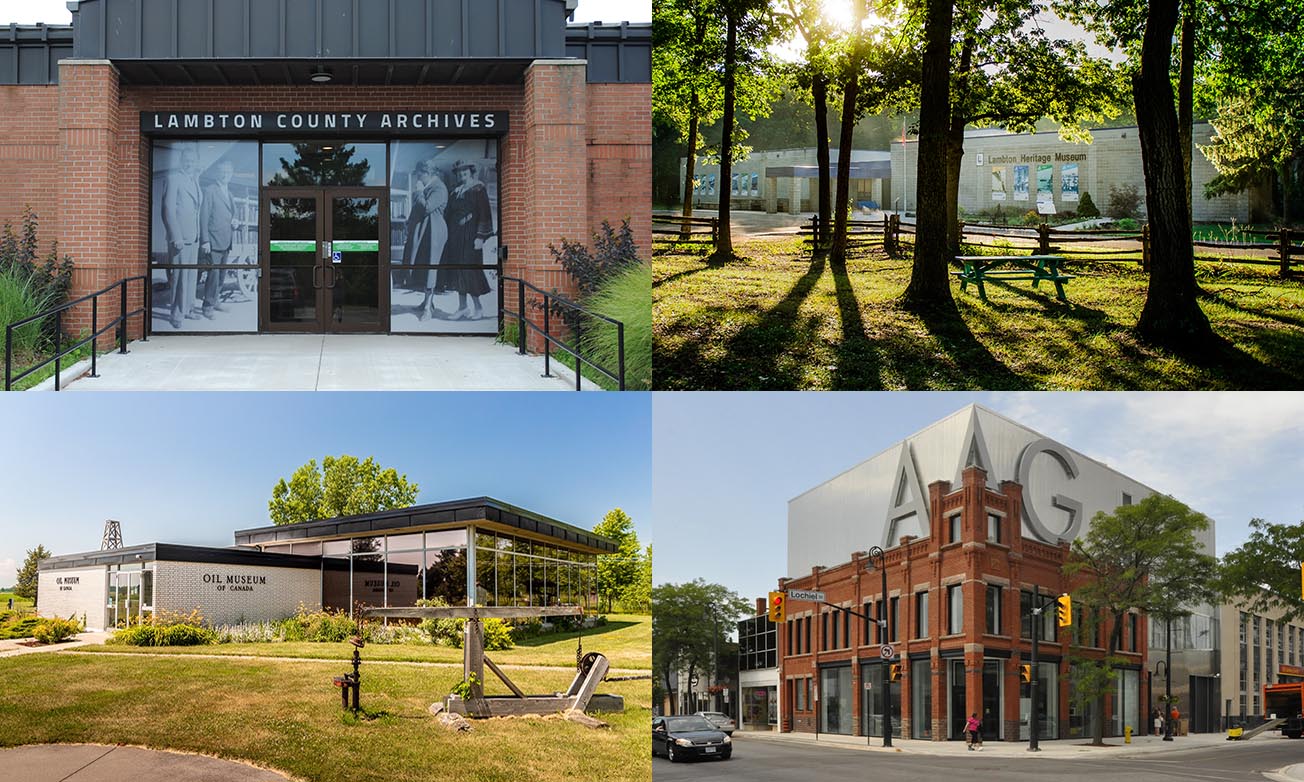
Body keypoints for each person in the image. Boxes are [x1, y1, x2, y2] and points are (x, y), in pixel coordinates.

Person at [436, 160, 494, 321]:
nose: (462, 174)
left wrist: (480, 237)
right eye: (459, 172)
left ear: (470, 171)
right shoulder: (455, 191)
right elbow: (447, 214)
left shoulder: (478, 189)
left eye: (465, 171)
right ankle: (462, 307)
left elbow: (485, 213)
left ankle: (479, 308)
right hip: (455, 237)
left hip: (471, 237)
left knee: (470, 271)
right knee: (458, 271)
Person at [162, 145, 203, 329]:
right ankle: (177, 314)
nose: (189, 164)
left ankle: (189, 308)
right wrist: (175, 236)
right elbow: (168, 210)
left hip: (193, 237)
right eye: (187, 160)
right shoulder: (173, 179)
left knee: (191, 276)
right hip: (180, 238)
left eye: (192, 161)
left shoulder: (195, 180)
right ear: (181, 161)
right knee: (179, 278)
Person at [408, 160, 449, 321]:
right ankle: (427, 302)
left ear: (427, 173)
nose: (419, 179)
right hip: (426, 231)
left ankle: (428, 309)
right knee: (425, 267)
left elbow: (427, 207)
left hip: (434, 232)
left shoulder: (438, 187)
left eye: (420, 175)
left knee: (431, 268)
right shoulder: (430, 187)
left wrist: (418, 192)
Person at [199, 160, 238, 320]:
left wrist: (235, 221)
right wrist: (205, 240)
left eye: (228, 172)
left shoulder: (230, 193)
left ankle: (215, 301)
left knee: (221, 274)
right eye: (222, 171)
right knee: (213, 275)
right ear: (217, 173)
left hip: (226, 241)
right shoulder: (210, 190)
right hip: (213, 241)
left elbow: (232, 214)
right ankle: (207, 306)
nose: (225, 174)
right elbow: (204, 217)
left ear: (231, 174)